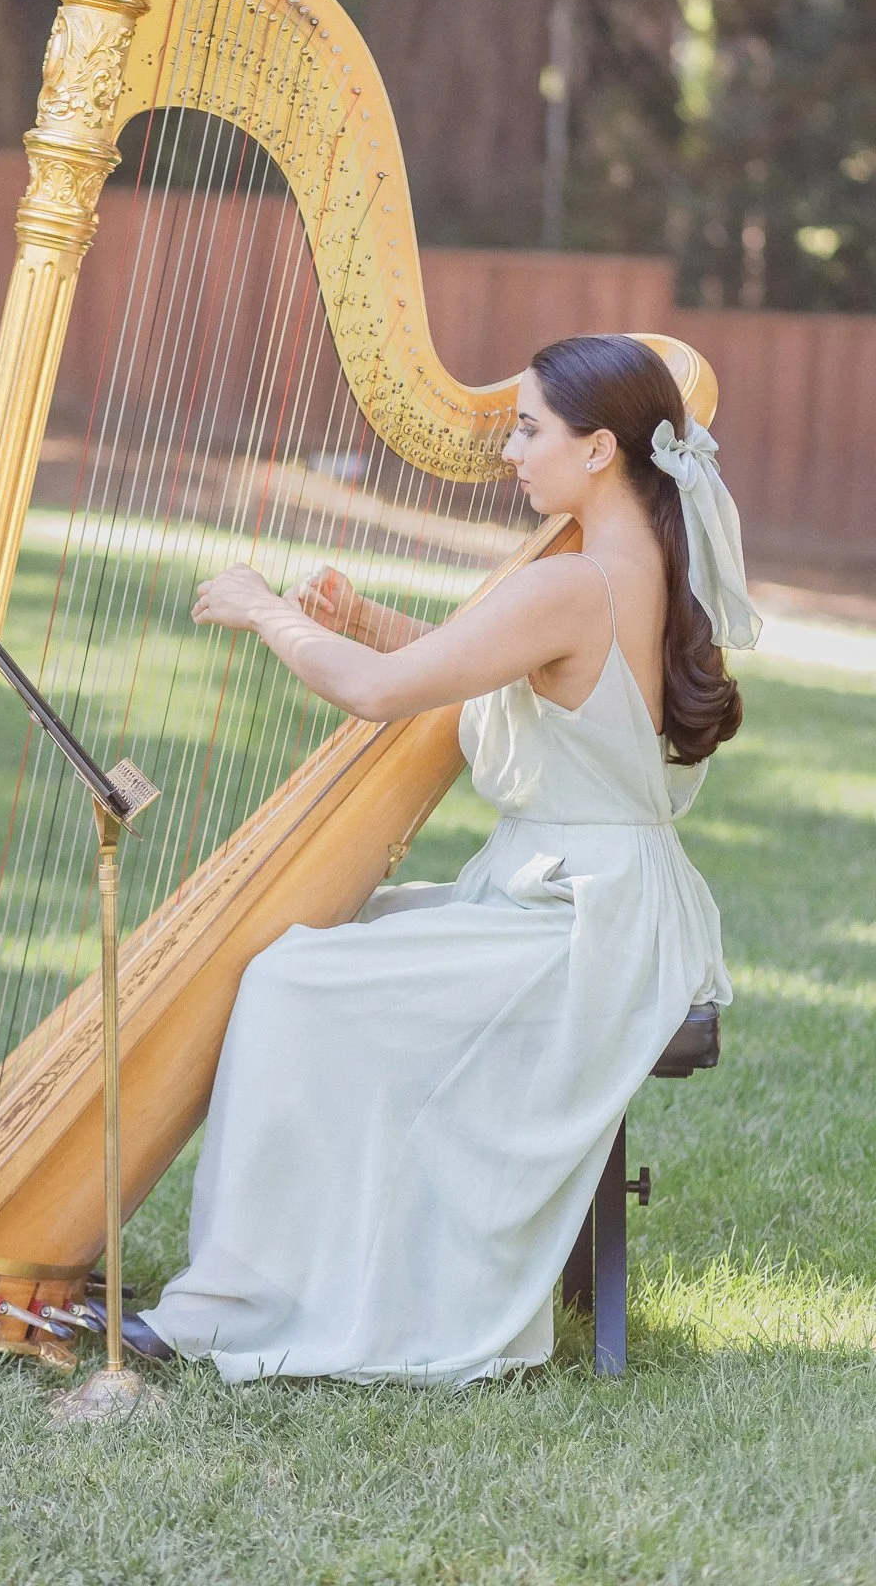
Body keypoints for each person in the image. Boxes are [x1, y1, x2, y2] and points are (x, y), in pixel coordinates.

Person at [137, 333, 760, 1385]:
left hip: (580, 934)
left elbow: (383, 695)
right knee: (348, 929)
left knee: (292, 978)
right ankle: (306, 1260)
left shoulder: (572, 582)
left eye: (526, 430)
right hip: (594, 904)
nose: (507, 452)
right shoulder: (627, 561)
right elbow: (501, 668)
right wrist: (363, 618)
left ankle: (238, 1300)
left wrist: (266, 612)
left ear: (599, 448)